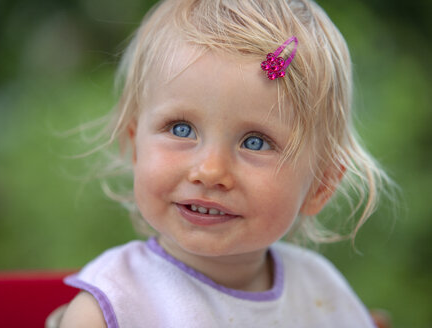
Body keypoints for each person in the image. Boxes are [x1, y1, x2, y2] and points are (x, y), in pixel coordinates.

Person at [58, 0, 393, 327]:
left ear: (321, 184)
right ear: (135, 146)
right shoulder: (113, 307)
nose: (210, 171)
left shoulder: (322, 295)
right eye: (181, 129)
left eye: (255, 142)